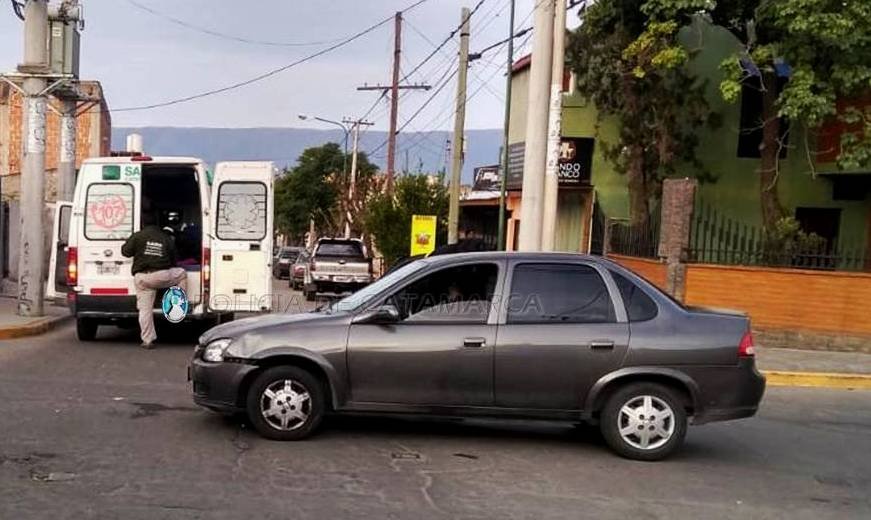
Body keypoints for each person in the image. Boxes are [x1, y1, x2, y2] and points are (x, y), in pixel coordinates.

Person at [121, 214, 187, 349]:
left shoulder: (138, 235)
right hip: (161, 276)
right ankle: (178, 304)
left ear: (144, 224)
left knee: (145, 310)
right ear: (159, 226)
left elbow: (126, 252)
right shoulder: (166, 238)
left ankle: (147, 340)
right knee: (182, 274)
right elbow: (175, 260)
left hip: (142, 279)